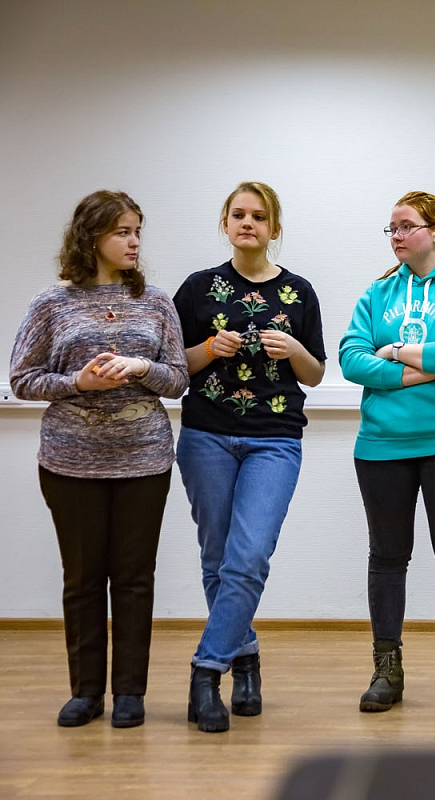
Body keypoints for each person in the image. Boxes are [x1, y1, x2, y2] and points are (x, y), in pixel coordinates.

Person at [10, 190, 188, 728]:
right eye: (122, 232)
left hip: (144, 460)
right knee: (83, 578)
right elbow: (22, 379)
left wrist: (140, 367)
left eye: (137, 232)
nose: (134, 243)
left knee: (134, 577)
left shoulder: (156, 302)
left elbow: (178, 379)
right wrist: (77, 383)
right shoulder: (51, 303)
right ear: (91, 238)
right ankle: (86, 692)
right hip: (70, 463)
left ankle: (130, 692)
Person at [172, 181, 326, 733]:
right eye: (238, 214)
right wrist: (208, 348)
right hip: (206, 436)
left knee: (250, 556)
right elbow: (172, 370)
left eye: (259, 217)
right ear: (226, 224)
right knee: (217, 559)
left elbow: (316, 373)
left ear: (273, 228)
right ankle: (246, 658)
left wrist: (296, 349)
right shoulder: (197, 289)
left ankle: (206, 670)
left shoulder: (299, 292)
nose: (248, 223)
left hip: (275, 439)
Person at [340, 191, 435, 714]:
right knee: (387, 558)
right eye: (392, 228)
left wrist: (394, 353)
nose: (397, 236)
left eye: (407, 226)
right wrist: (420, 372)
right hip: (382, 445)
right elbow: (350, 358)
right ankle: (387, 668)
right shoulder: (378, 292)